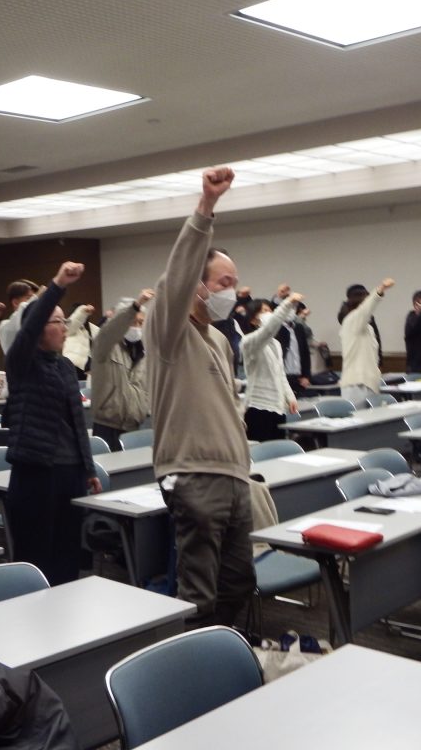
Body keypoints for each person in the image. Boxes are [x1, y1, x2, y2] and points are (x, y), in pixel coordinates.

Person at [146, 166, 254, 629]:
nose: (233, 291)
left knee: (239, 582)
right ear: (198, 284)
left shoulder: (219, 340)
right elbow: (175, 276)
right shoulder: (168, 332)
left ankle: (223, 653)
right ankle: (193, 661)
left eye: (234, 282)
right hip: (194, 476)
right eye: (223, 282)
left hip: (233, 477)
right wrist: (205, 207)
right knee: (200, 593)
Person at [1, 261, 99, 585]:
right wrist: (57, 284)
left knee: (68, 553)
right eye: (57, 322)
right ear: (39, 328)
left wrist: (88, 468)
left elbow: (76, 422)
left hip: (70, 472)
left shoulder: (66, 366)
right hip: (36, 473)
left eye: (64, 322)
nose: (64, 328)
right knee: (37, 556)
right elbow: (28, 329)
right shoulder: (23, 362)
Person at [90, 289, 153, 450]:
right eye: (132, 321)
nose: (137, 327)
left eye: (141, 323)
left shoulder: (143, 352)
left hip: (134, 425)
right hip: (107, 425)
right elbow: (110, 331)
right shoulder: (104, 345)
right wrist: (135, 306)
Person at [241, 295, 301, 442]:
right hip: (258, 406)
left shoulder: (276, 344)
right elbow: (268, 330)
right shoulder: (249, 342)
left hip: (278, 406)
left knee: (279, 447)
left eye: (270, 310)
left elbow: (280, 373)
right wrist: (286, 304)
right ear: (253, 320)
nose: (269, 314)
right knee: (261, 448)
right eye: (263, 311)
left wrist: (290, 396)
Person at [340, 279, 395, 404]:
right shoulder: (351, 321)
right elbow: (365, 309)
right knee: (359, 416)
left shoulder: (368, 328)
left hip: (370, 383)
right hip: (356, 385)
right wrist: (380, 290)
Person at [0, 279, 40, 354]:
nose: (36, 303)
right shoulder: (5, 326)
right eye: (29, 298)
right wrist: (37, 296)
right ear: (15, 302)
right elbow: (22, 312)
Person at [63, 303, 99, 380]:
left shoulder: (93, 328)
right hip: (72, 367)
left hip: (89, 370)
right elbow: (74, 322)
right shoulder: (68, 326)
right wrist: (83, 311)